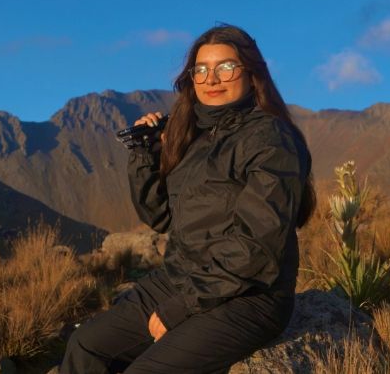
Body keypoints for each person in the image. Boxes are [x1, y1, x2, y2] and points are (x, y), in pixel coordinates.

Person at [59, 23, 316, 373]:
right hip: (180, 277)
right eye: (201, 69)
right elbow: (161, 217)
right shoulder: (193, 136)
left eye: (226, 67)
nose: (212, 79)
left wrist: (184, 304)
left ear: (252, 73)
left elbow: (257, 244)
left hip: (249, 296)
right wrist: (144, 154)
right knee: (87, 345)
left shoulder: (271, 138)